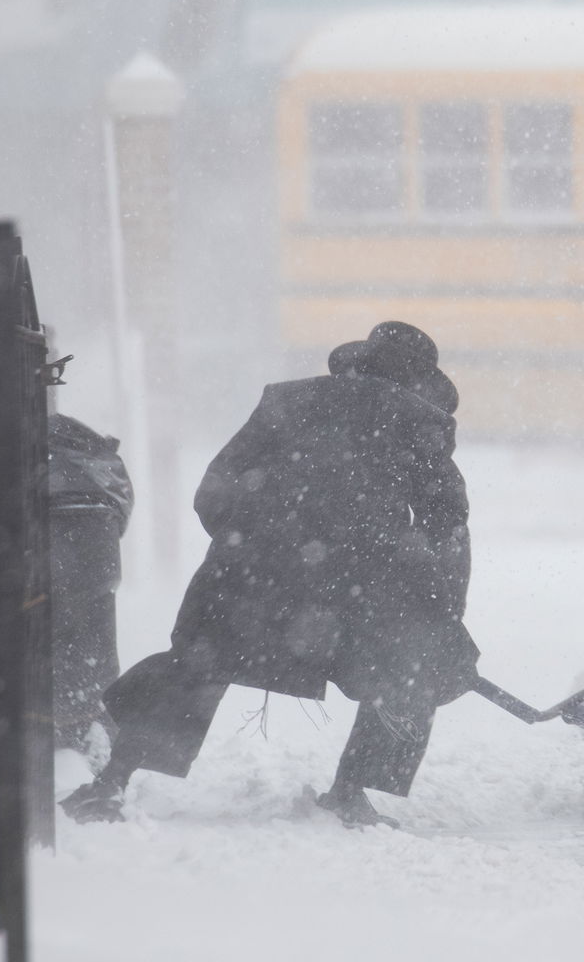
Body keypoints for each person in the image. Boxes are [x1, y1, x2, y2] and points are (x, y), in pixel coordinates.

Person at [60, 322, 477, 827]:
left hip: (249, 579)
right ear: (418, 381)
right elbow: (447, 529)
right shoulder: (421, 423)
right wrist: (442, 611)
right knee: (412, 670)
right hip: (356, 592)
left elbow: (214, 489)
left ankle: (111, 783)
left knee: (193, 665)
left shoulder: (287, 400)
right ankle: (349, 793)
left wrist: (248, 542)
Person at [48, 413, 134, 754]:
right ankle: (95, 730)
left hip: (58, 527)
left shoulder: (19, 443)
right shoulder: (86, 455)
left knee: (56, 633)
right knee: (93, 641)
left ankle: (69, 733)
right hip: (97, 528)